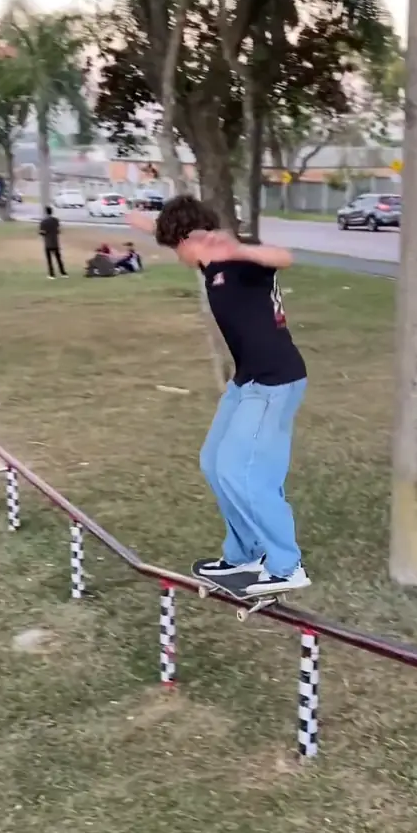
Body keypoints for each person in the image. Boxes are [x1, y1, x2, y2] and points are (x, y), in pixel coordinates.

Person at [128, 196, 309, 594]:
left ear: (186, 240)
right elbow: (177, 233)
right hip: (247, 381)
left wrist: (241, 249)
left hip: (273, 380)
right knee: (214, 462)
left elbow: (284, 257)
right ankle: (246, 553)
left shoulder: (236, 261)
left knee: (241, 471)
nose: (177, 256)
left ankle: (286, 566)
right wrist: (147, 223)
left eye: (173, 246)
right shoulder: (209, 261)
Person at [39, 205, 67, 279]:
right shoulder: (56, 220)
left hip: (48, 243)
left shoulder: (43, 222)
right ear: (52, 212)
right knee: (58, 258)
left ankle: (51, 274)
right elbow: (58, 230)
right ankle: (63, 273)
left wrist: (44, 234)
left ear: (46, 212)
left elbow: (42, 232)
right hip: (55, 242)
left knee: (49, 260)